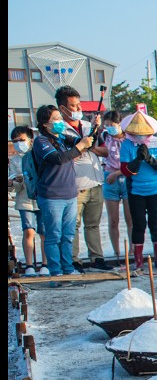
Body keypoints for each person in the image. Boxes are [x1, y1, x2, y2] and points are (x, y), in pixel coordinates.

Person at [31, 105, 93, 277]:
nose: (60, 122)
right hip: (51, 196)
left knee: (68, 235)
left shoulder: (62, 139)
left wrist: (94, 126)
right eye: (56, 119)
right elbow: (58, 159)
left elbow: (83, 140)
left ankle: (68, 268)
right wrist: (80, 146)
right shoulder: (41, 141)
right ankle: (55, 271)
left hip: (70, 195)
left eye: (60, 118)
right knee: (53, 235)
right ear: (45, 123)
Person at [55, 85, 108, 271]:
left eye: (79, 105)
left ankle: (97, 258)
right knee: (73, 226)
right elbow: (69, 154)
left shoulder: (87, 125)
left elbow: (105, 150)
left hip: (95, 182)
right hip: (74, 185)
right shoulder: (59, 130)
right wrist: (84, 142)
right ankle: (74, 260)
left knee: (93, 225)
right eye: (74, 106)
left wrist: (92, 137)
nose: (78, 109)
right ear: (63, 108)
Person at [120, 110, 157, 270]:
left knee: (156, 224)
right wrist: (138, 159)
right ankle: (138, 261)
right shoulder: (127, 144)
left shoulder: (156, 142)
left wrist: (149, 159)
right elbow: (125, 170)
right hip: (136, 191)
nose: (140, 137)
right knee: (138, 225)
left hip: (156, 190)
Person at [90, 110, 132, 266]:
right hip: (110, 178)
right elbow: (93, 147)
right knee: (113, 220)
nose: (109, 128)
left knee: (130, 218)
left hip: (126, 177)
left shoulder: (129, 138)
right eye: (106, 125)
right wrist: (96, 127)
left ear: (120, 123)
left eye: (112, 125)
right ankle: (117, 251)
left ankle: (132, 250)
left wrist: (119, 172)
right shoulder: (104, 137)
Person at [8, 126, 48, 276]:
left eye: (22, 140)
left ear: (31, 140)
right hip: (24, 200)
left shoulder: (38, 155)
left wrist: (26, 178)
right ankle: (29, 265)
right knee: (28, 231)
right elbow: (15, 186)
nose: (19, 143)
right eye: (15, 141)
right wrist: (14, 183)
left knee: (44, 232)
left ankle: (45, 264)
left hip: (41, 198)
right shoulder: (14, 160)